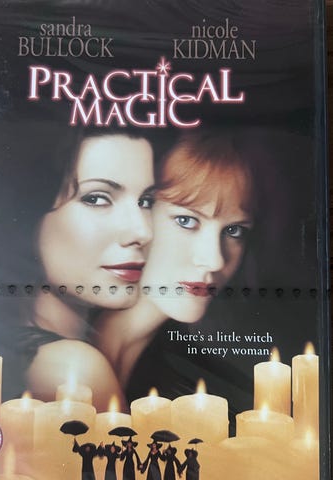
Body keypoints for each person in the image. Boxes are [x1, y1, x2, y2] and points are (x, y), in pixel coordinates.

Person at [95, 130, 256, 389]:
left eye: (234, 231)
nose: (214, 261)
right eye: (186, 221)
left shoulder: (189, 379)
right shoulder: (67, 363)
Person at [20, 130, 156, 410]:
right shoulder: (74, 371)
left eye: (146, 201)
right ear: (29, 212)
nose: (143, 231)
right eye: (97, 198)